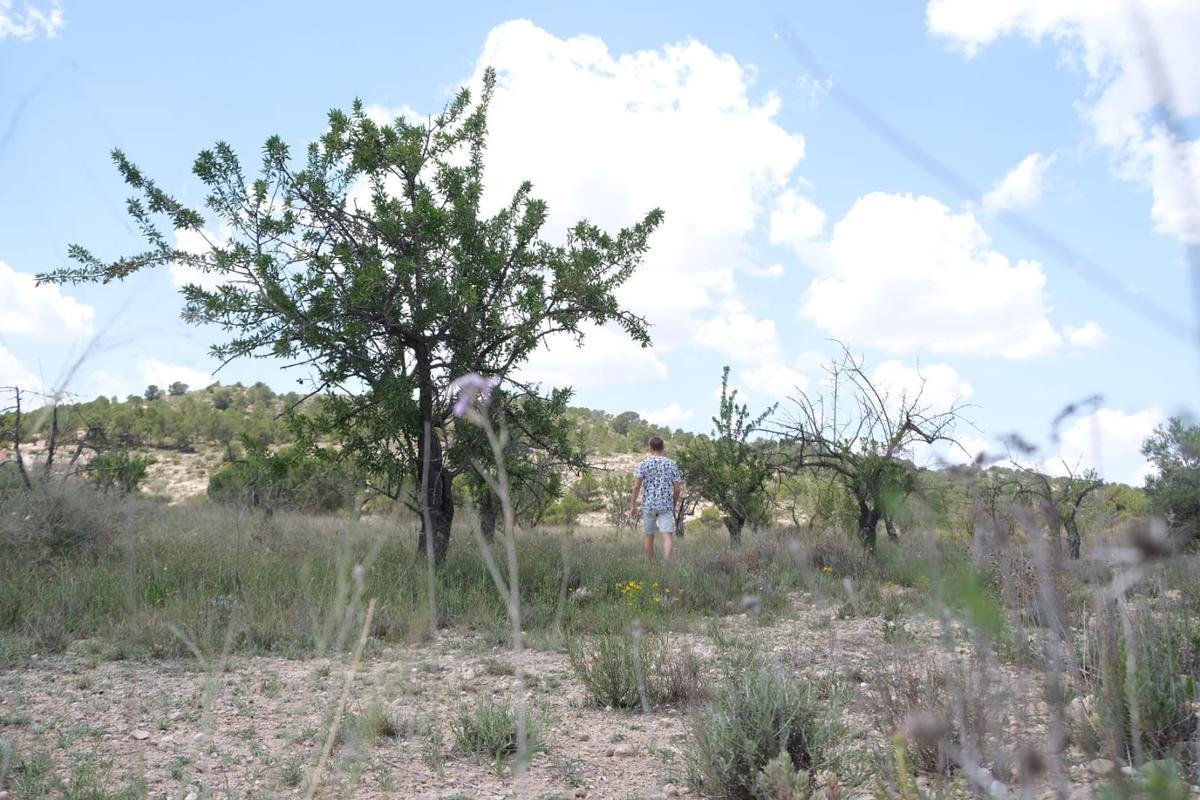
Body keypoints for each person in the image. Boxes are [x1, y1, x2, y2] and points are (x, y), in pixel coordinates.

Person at [628, 436, 682, 561]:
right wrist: (673, 504)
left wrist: (633, 505)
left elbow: (636, 486)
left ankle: (649, 567)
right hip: (666, 505)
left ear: (651, 448)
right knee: (667, 536)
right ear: (663, 448)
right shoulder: (671, 464)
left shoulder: (644, 464)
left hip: (649, 504)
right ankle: (667, 565)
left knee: (649, 536)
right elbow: (678, 488)